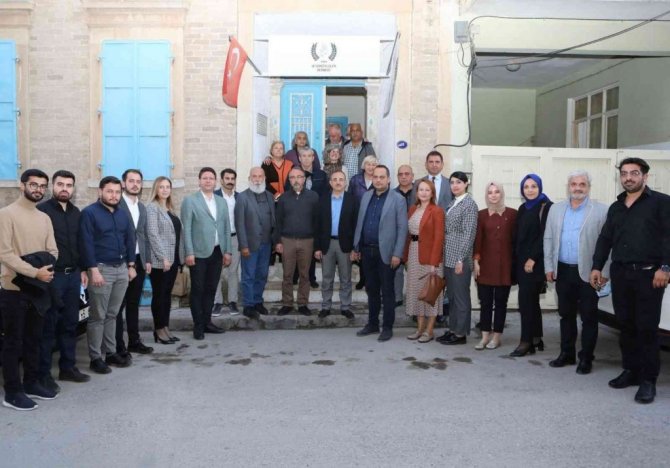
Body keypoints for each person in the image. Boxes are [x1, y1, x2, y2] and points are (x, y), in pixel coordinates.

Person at [591, 157, 670, 404]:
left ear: (645, 176)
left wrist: (665, 267)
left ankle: (648, 380)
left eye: (634, 173)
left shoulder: (661, 202)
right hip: (621, 274)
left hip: (649, 275)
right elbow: (605, 238)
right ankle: (631, 370)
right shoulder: (616, 207)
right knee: (626, 326)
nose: (628, 177)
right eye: (624, 173)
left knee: (647, 328)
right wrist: (597, 266)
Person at [0, 169, 59, 410]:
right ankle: (12, 392)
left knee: (34, 339)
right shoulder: (6, 214)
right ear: (22, 185)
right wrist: (36, 271)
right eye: (34, 184)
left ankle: (31, 383)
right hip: (13, 288)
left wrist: (42, 270)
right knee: (13, 343)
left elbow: (53, 251)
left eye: (43, 186)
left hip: (39, 288)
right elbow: (4, 254)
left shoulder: (44, 218)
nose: (38, 189)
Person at [543, 171, 609, 374]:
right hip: (563, 270)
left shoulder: (601, 210)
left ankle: (586, 358)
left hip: (589, 273)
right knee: (566, 315)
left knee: (589, 317)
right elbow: (548, 238)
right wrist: (549, 267)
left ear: (588, 187)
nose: (577, 188)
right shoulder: (556, 209)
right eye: (574, 184)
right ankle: (567, 353)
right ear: (568, 186)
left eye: (582, 184)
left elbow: (609, 244)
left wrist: (604, 271)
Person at [36, 170, 90, 394]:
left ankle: (68, 367)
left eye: (69, 185)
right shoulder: (42, 211)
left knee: (70, 324)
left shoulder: (76, 213)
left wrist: (84, 269)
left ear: (73, 188)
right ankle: (43, 374)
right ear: (53, 186)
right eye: (60, 184)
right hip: (52, 276)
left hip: (73, 276)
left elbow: (81, 243)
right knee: (48, 326)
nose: (64, 188)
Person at [80, 176, 137, 374]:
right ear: (100, 192)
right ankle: (95, 358)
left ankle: (111, 353)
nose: (114, 195)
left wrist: (131, 265)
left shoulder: (122, 214)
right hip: (101, 270)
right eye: (109, 191)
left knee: (113, 314)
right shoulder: (89, 213)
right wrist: (92, 269)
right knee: (98, 316)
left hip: (121, 269)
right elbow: (86, 243)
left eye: (117, 192)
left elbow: (130, 239)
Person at [352, 165, 408, 342]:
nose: (378, 180)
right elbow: (360, 222)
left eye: (382, 177)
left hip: (387, 253)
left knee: (387, 291)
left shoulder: (398, 199)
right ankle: (372, 324)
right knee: (372, 289)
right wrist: (356, 247)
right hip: (367, 251)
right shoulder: (366, 196)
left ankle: (387, 327)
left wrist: (397, 253)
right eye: (375, 177)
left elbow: (402, 228)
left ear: (388, 179)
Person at [181, 167, 233, 340]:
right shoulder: (190, 201)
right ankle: (198, 325)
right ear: (199, 181)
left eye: (211, 178)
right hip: (198, 253)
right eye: (205, 178)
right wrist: (189, 252)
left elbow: (226, 227)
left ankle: (207, 322)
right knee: (198, 289)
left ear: (215, 181)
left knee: (211, 288)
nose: (208, 181)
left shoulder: (221, 201)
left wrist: (227, 251)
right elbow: (187, 229)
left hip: (217, 252)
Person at [511, 174, 552, 357]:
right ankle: (536, 337)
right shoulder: (523, 207)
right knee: (532, 301)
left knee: (525, 302)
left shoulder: (546, 207)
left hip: (535, 262)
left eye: (533, 186)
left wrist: (533, 258)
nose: (530, 190)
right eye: (526, 187)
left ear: (540, 187)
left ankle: (525, 342)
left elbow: (545, 236)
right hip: (522, 261)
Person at [473, 181, 517, 350]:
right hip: (485, 265)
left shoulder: (513, 214)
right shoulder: (481, 215)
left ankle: (497, 336)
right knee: (485, 302)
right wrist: (476, 260)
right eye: (490, 192)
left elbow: (516, 241)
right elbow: (478, 240)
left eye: (497, 191)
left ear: (502, 194)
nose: (493, 195)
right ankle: (485, 336)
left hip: (505, 266)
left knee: (500, 303)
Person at [115, 169, 153, 358]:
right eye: (131, 181)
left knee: (133, 303)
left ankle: (134, 341)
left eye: (138, 181)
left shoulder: (142, 207)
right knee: (117, 306)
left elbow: (144, 235)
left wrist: (147, 260)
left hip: (139, 260)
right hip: (121, 261)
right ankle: (117, 345)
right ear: (123, 183)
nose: (135, 184)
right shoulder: (116, 205)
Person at [403, 180, 445, 343]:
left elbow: (439, 238)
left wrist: (434, 263)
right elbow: (408, 235)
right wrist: (405, 257)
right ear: (417, 192)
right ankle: (419, 329)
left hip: (430, 258)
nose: (424, 193)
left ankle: (429, 330)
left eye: (428, 190)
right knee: (417, 293)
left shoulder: (437, 211)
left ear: (432, 193)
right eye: (421, 189)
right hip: (414, 254)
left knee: (431, 294)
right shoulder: (413, 209)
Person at [439, 172, 478, 345]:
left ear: (466, 184)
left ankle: (461, 334)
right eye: (452, 182)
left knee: (461, 297)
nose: (455, 185)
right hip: (449, 256)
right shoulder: (453, 202)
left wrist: (461, 259)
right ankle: (453, 329)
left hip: (459, 259)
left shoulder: (469, 204)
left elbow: (469, 235)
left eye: (459, 182)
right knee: (452, 297)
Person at [275, 168, 320, 316]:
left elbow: (317, 221)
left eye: (299, 177)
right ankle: (287, 303)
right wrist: (278, 241)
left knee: (304, 275)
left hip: (307, 241)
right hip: (287, 241)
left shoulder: (314, 197)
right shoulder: (283, 198)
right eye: (292, 177)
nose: (296, 180)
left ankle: (302, 304)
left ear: (304, 179)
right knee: (287, 275)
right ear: (289, 180)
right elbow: (278, 221)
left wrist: (317, 244)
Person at [314, 170, 358, 320]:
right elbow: (317, 225)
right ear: (330, 182)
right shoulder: (322, 200)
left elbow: (356, 225)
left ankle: (345, 307)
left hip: (345, 245)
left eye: (341, 179)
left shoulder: (352, 200)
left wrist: (355, 248)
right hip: (327, 244)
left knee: (346, 278)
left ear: (345, 182)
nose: (338, 182)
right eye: (335, 179)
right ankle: (326, 306)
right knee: (327, 278)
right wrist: (317, 247)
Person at [146, 176, 184, 345]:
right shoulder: (152, 208)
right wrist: (163, 257)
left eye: (167, 186)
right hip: (160, 261)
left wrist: (178, 258)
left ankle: (165, 328)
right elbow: (153, 234)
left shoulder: (170, 209)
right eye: (161, 187)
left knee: (167, 295)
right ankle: (159, 330)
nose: (165, 190)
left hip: (173, 259)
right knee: (159, 295)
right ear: (156, 189)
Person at [235, 167, 276, 320]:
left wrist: (274, 241)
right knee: (248, 276)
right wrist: (243, 245)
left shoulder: (270, 196)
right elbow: (239, 224)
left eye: (260, 176)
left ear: (264, 178)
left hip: (266, 244)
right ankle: (248, 305)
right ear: (249, 178)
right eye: (254, 176)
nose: (257, 179)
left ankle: (258, 301)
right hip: (250, 245)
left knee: (262, 275)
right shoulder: (242, 197)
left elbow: (273, 220)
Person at [213, 168, 240, 316]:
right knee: (216, 271)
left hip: (235, 238)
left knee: (233, 271)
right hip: (218, 238)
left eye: (232, 179)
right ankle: (217, 302)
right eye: (227, 178)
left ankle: (232, 302)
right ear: (221, 180)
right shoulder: (214, 196)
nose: (230, 181)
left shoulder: (240, 197)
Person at [394, 164, 414, 307]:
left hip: (415, 238)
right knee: (397, 270)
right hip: (398, 237)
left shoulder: (420, 192)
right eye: (401, 174)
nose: (404, 177)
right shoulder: (392, 194)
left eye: (407, 174)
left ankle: (414, 301)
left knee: (414, 271)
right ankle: (397, 298)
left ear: (412, 176)